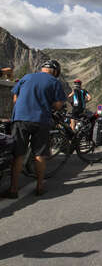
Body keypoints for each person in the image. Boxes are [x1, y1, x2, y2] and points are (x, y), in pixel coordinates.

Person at [3, 60, 66, 198]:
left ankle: (13, 189)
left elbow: (15, 98)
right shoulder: (55, 82)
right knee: (39, 154)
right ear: (55, 71)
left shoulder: (26, 77)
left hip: (20, 118)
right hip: (41, 120)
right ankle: (39, 187)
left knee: (18, 154)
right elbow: (57, 105)